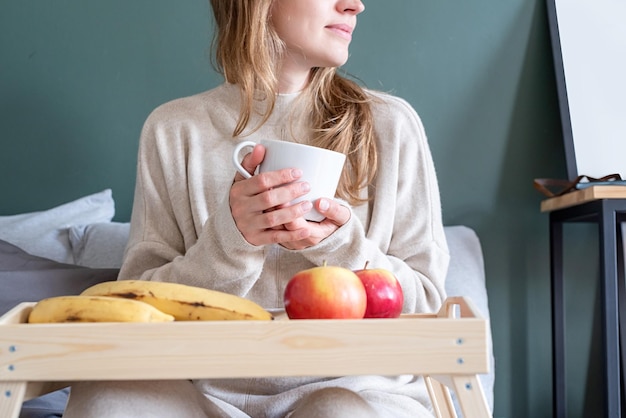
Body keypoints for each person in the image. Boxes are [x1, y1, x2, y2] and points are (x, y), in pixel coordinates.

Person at [64, 0, 450, 417]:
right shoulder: (174, 130)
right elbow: (137, 303)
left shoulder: (389, 125)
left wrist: (341, 246)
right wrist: (230, 242)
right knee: (106, 400)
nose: (354, 4)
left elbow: (429, 303)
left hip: (358, 390)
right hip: (202, 396)